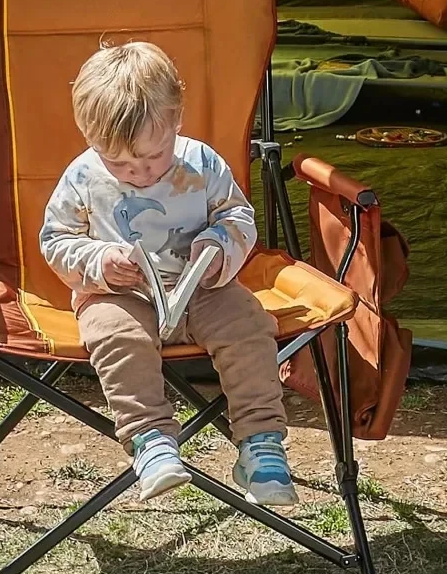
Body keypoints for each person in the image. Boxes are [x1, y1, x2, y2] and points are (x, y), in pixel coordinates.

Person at [40, 41, 298, 506]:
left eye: (153, 158)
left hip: (202, 288)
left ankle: (261, 442)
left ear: (177, 119)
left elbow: (237, 217)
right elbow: (55, 240)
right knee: (117, 338)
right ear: (86, 136)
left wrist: (219, 248)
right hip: (120, 294)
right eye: (117, 162)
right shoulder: (82, 176)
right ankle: (151, 440)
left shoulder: (200, 164)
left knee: (249, 325)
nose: (137, 172)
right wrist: (100, 263)